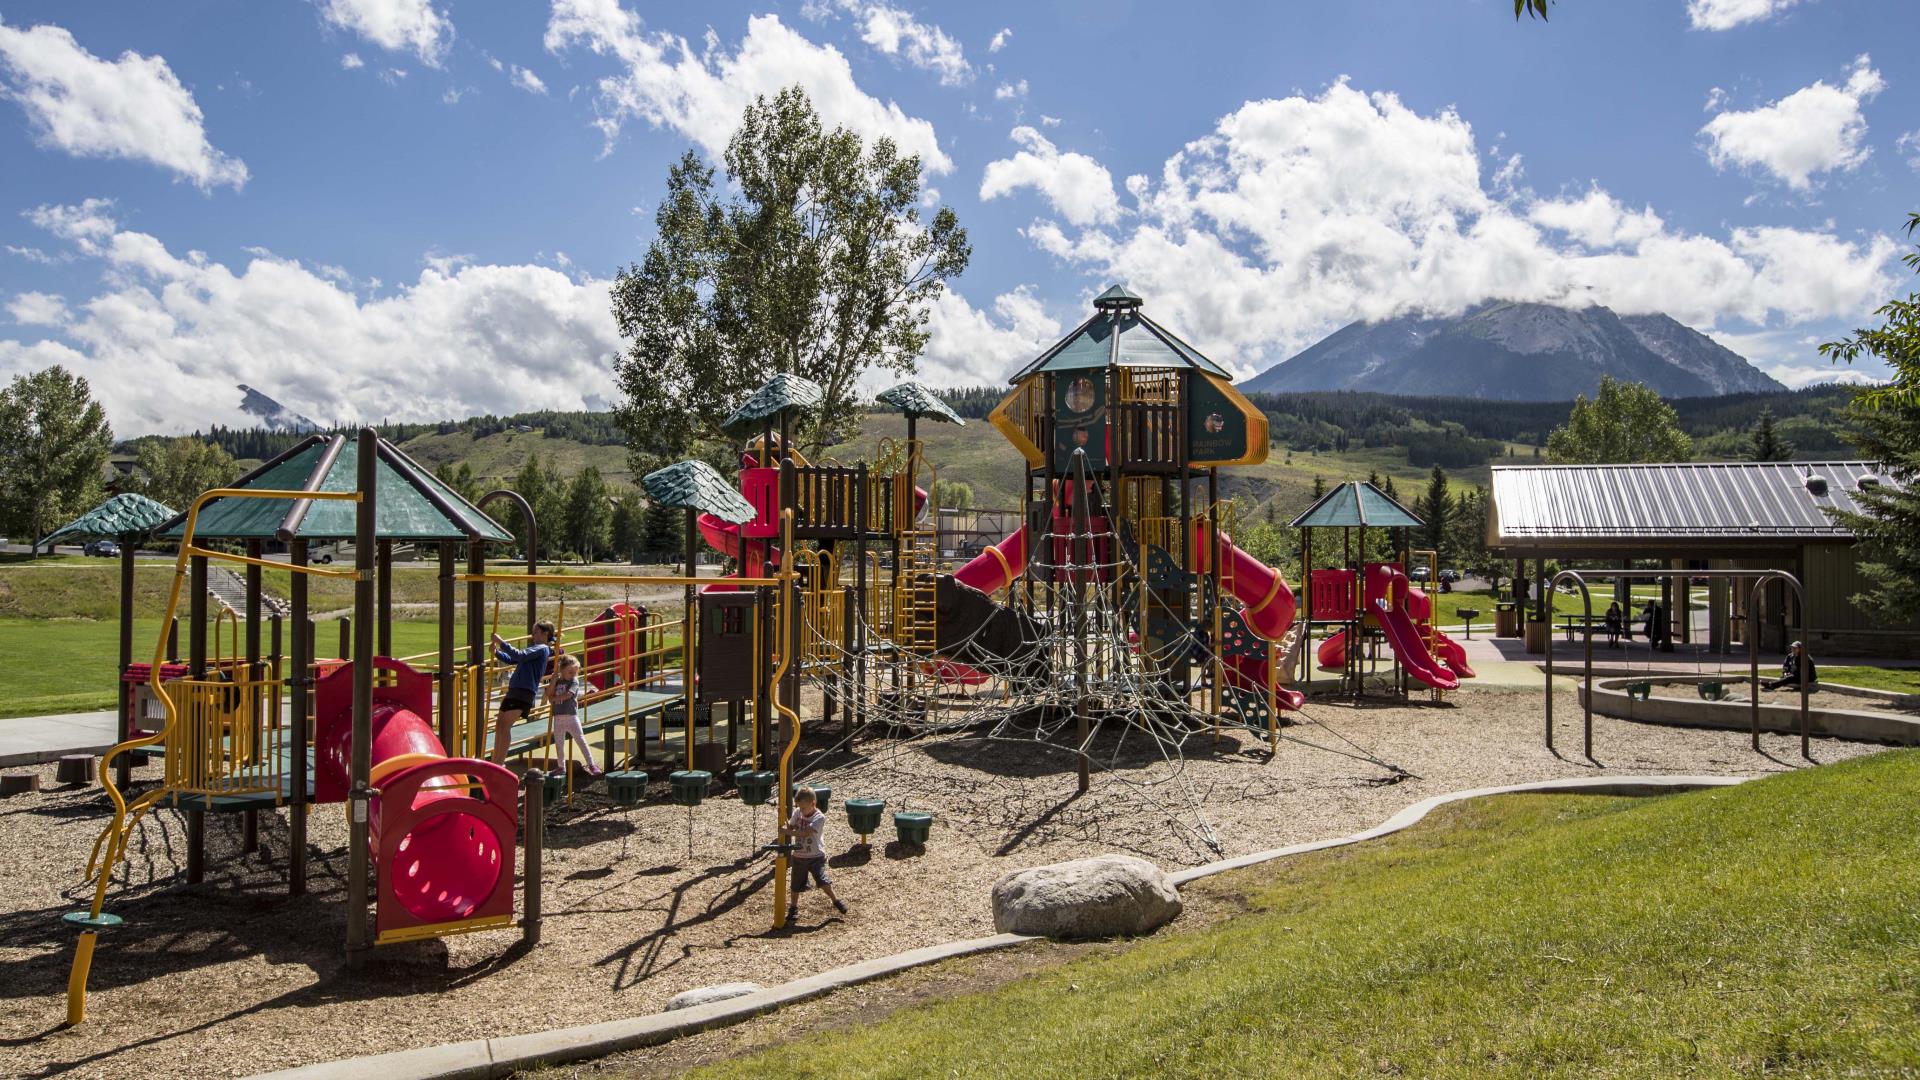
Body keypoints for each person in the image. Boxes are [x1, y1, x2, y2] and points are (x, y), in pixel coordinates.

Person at [491, 620, 556, 765]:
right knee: (499, 724)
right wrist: (496, 653)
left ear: (545, 634)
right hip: (515, 689)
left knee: (505, 725)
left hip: (524, 691)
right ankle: (496, 759)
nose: (532, 635)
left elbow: (519, 655)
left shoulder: (542, 649)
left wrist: (500, 642)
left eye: (536, 632)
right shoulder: (534, 650)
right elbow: (513, 660)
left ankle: (499, 762)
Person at [785, 786, 847, 924]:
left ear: (813, 803)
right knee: (795, 885)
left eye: (804, 808)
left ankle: (835, 900)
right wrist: (787, 825)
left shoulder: (819, 817)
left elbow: (805, 833)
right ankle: (793, 908)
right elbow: (791, 825)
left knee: (822, 881)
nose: (801, 810)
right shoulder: (797, 812)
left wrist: (787, 832)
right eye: (799, 807)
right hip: (799, 856)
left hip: (816, 856)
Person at [545, 654, 599, 776]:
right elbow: (548, 694)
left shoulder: (574, 682)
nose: (573, 674)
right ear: (562, 670)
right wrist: (553, 681)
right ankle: (560, 766)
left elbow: (568, 695)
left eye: (575, 672)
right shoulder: (558, 681)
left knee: (580, 739)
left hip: (571, 716)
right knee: (559, 743)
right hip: (558, 717)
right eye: (570, 672)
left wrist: (554, 699)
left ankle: (591, 764)